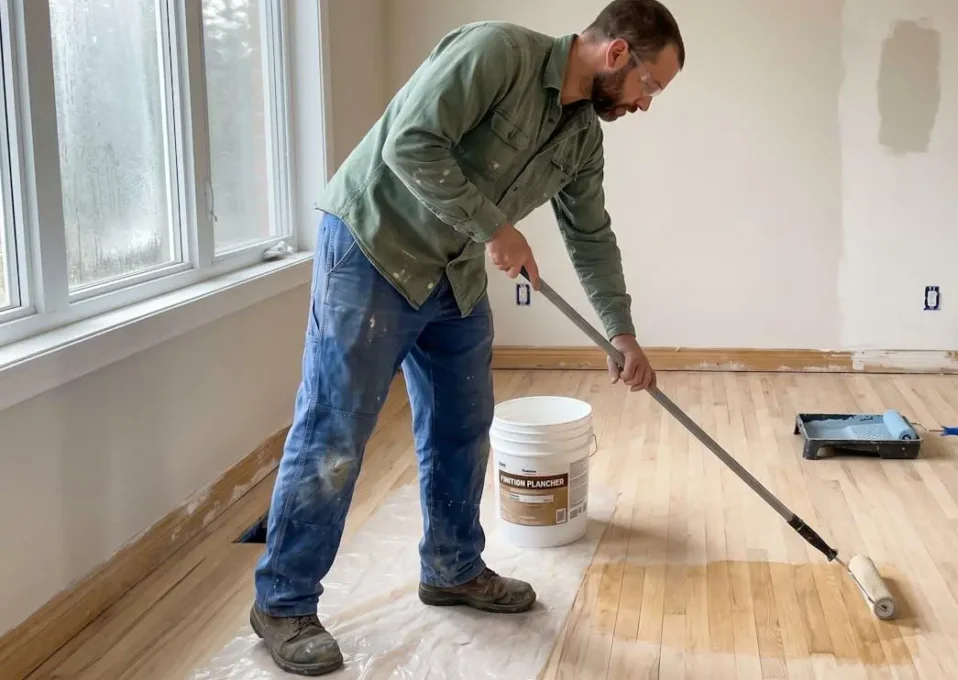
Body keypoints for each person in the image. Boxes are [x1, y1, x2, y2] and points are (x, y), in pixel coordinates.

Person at [246, 0, 684, 675]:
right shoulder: (496, 52)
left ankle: (451, 568)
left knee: (462, 425)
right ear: (617, 54)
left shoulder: (581, 140)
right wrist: (496, 228)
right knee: (334, 432)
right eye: (650, 86)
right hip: (372, 248)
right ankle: (283, 602)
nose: (646, 104)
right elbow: (410, 142)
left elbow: (590, 235)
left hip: (453, 271)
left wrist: (621, 333)